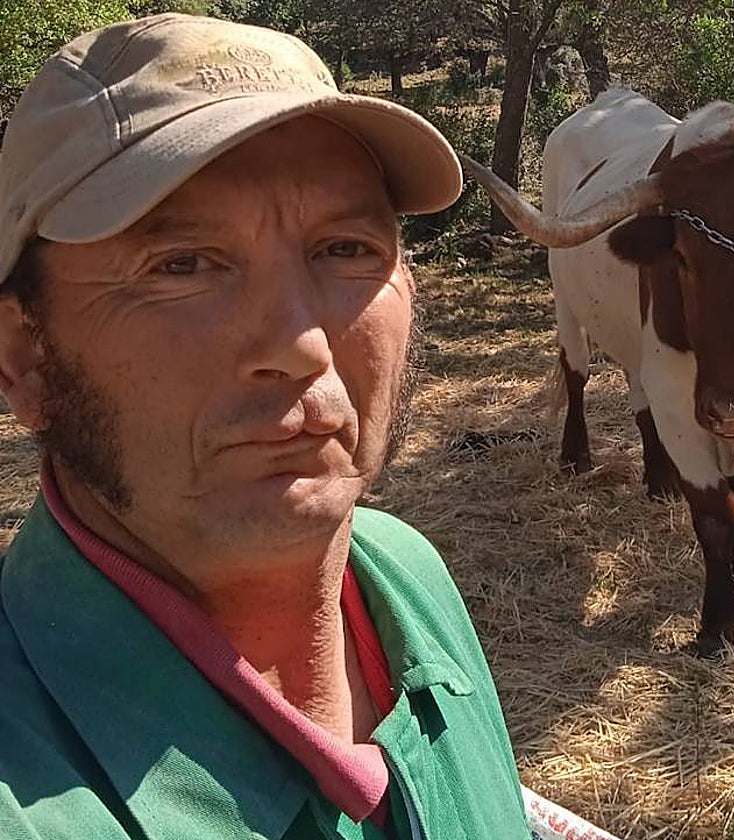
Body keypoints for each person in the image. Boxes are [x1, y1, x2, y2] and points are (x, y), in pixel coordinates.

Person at [0, 13, 532, 840]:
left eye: (346, 249)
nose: (300, 345)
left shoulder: (405, 579)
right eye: (182, 265)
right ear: (24, 358)